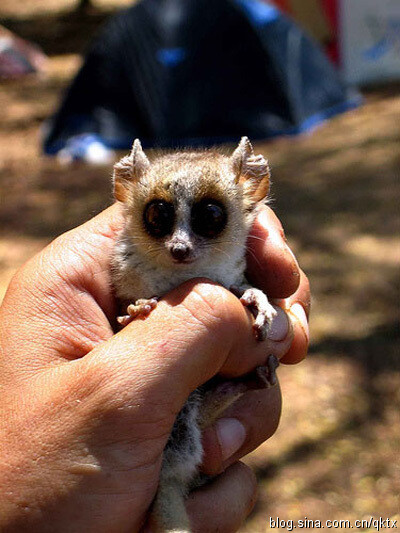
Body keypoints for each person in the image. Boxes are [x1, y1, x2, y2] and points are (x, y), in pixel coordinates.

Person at [0, 203, 310, 532]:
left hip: (179, 434)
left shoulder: (235, 252)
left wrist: (253, 296)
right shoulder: (126, 262)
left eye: (209, 220)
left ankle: (232, 391)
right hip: (161, 440)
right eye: (159, 220)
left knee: (195, 434)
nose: (180, 242)